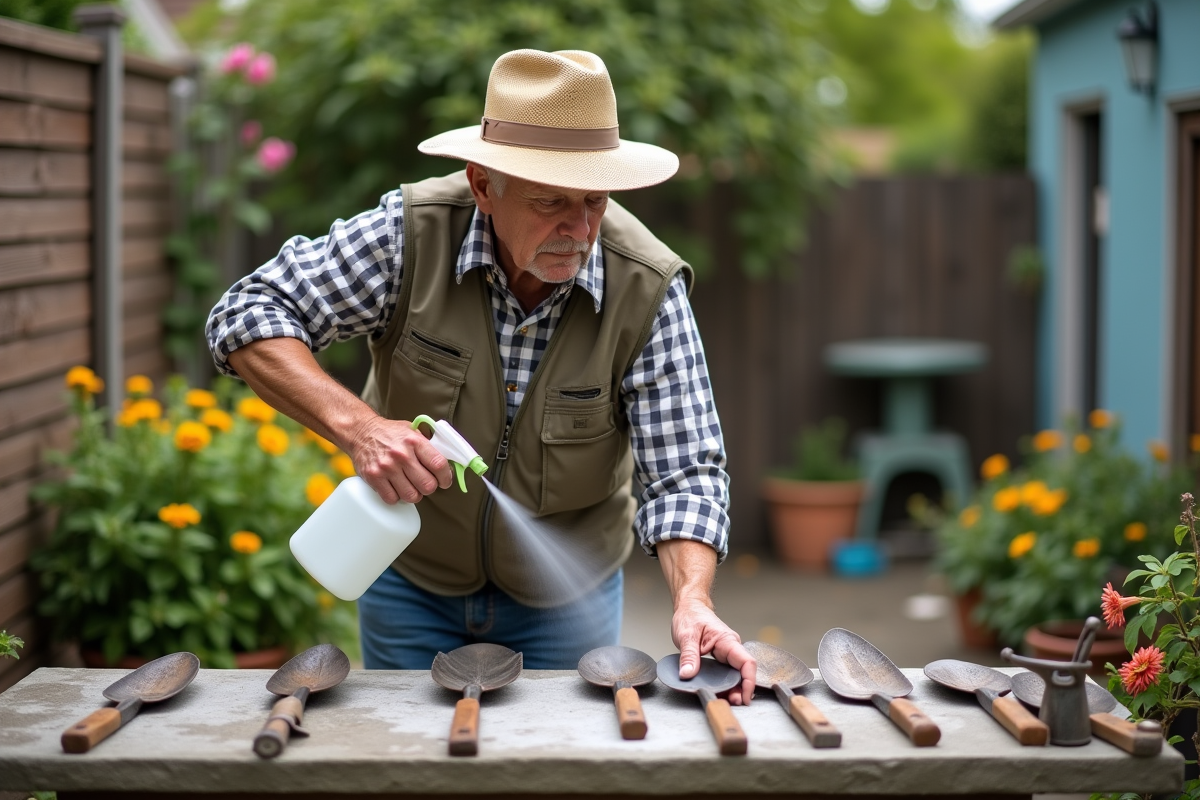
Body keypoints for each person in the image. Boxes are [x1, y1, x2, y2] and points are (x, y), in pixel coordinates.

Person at [206, 48, 755, 703]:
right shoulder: (409, 235)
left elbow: (685, 471)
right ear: (482, 185)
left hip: (568, 599)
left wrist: (693, 598)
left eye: (594, 201)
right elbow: (246, 312)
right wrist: (358, 428)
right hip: (410, 586)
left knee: (550, 769)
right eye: (552, 201)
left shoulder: (648, 286)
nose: (578, 230)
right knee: (411, 762)